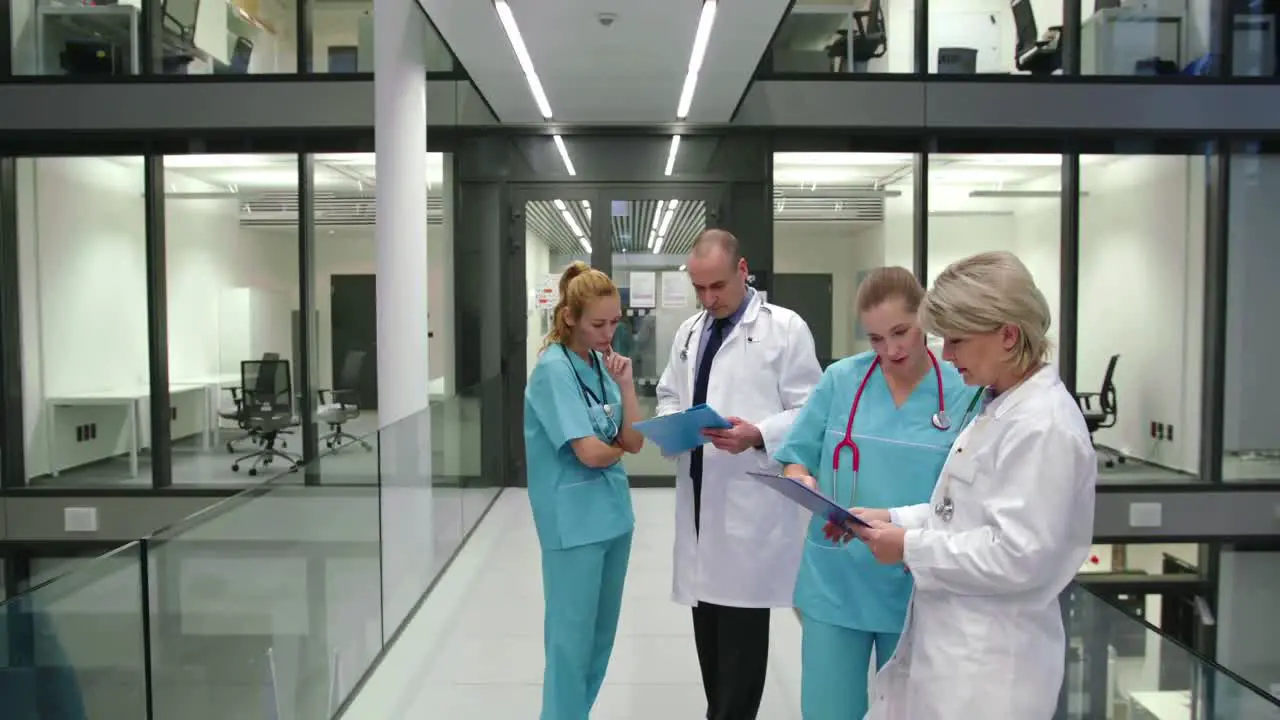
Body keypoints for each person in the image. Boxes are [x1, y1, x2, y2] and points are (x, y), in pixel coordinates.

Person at [830, 251, 1097, 720]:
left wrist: (909, 547)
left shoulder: (1043, 427)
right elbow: (959, 513)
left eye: (956, 340)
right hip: (953, 650)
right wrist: (890, 519)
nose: (946, 356)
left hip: (990, 671)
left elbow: (1017, 555)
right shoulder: (1000, 407)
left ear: (1008, 336)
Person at [772, 266, 983, 720]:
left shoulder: (963, 389)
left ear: (924, 317)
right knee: (829, 709)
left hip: (916, 581)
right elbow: (797, 454)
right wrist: (800, 477)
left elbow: (972, 494)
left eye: (901, 332)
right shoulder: (841, 379)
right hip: (837, 578)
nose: (891, 350)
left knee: (909, 710)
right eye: (875, 339)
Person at [655, 229, 823, 720]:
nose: (709, 299)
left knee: (740, 659)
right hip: (701, 506)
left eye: (719, 287)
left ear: (743, 269)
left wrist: (761, 433)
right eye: (700, 288)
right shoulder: (690, 331)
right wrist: (674, 423)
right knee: (710, 649)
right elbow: (669, 392)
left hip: (751, 512)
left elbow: (811, 410)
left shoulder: (785, 329)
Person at [523, 261, 646, 720]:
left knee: (598, 641)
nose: (608, 332)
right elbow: (591, 454)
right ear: (570, 317)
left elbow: (633, 440)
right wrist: (616, 445)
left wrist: (627, 384)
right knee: (569, 643)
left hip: (613, 518)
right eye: (598, 323)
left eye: (615, 322)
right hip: (572, 523)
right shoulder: (553, 371)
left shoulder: (600, 365)